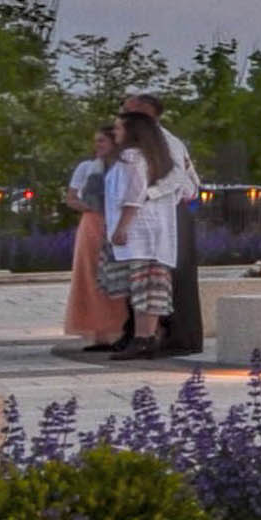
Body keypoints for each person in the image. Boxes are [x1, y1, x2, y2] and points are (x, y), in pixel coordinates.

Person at [97, 98, 195, 358]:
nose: (114, 132)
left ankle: (145, 338)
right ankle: (142, 336)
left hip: (141, 230)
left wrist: (122, 225)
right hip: (147, 229)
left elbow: (137, 194)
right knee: (145, 285)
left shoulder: (135, 156)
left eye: (119, 127)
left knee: (147, 284)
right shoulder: (142, 154)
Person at [58, 119, 123, 348]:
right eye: (96, 141)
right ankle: (97, 331)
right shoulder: (87, 167)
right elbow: (71, 197)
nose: (98, 145)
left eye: (102, 141)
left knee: (118, 274)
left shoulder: (123, 167)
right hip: (93, 222)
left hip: (117, 221)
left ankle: (119, 328)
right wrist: (88, 206)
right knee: (91, 274)